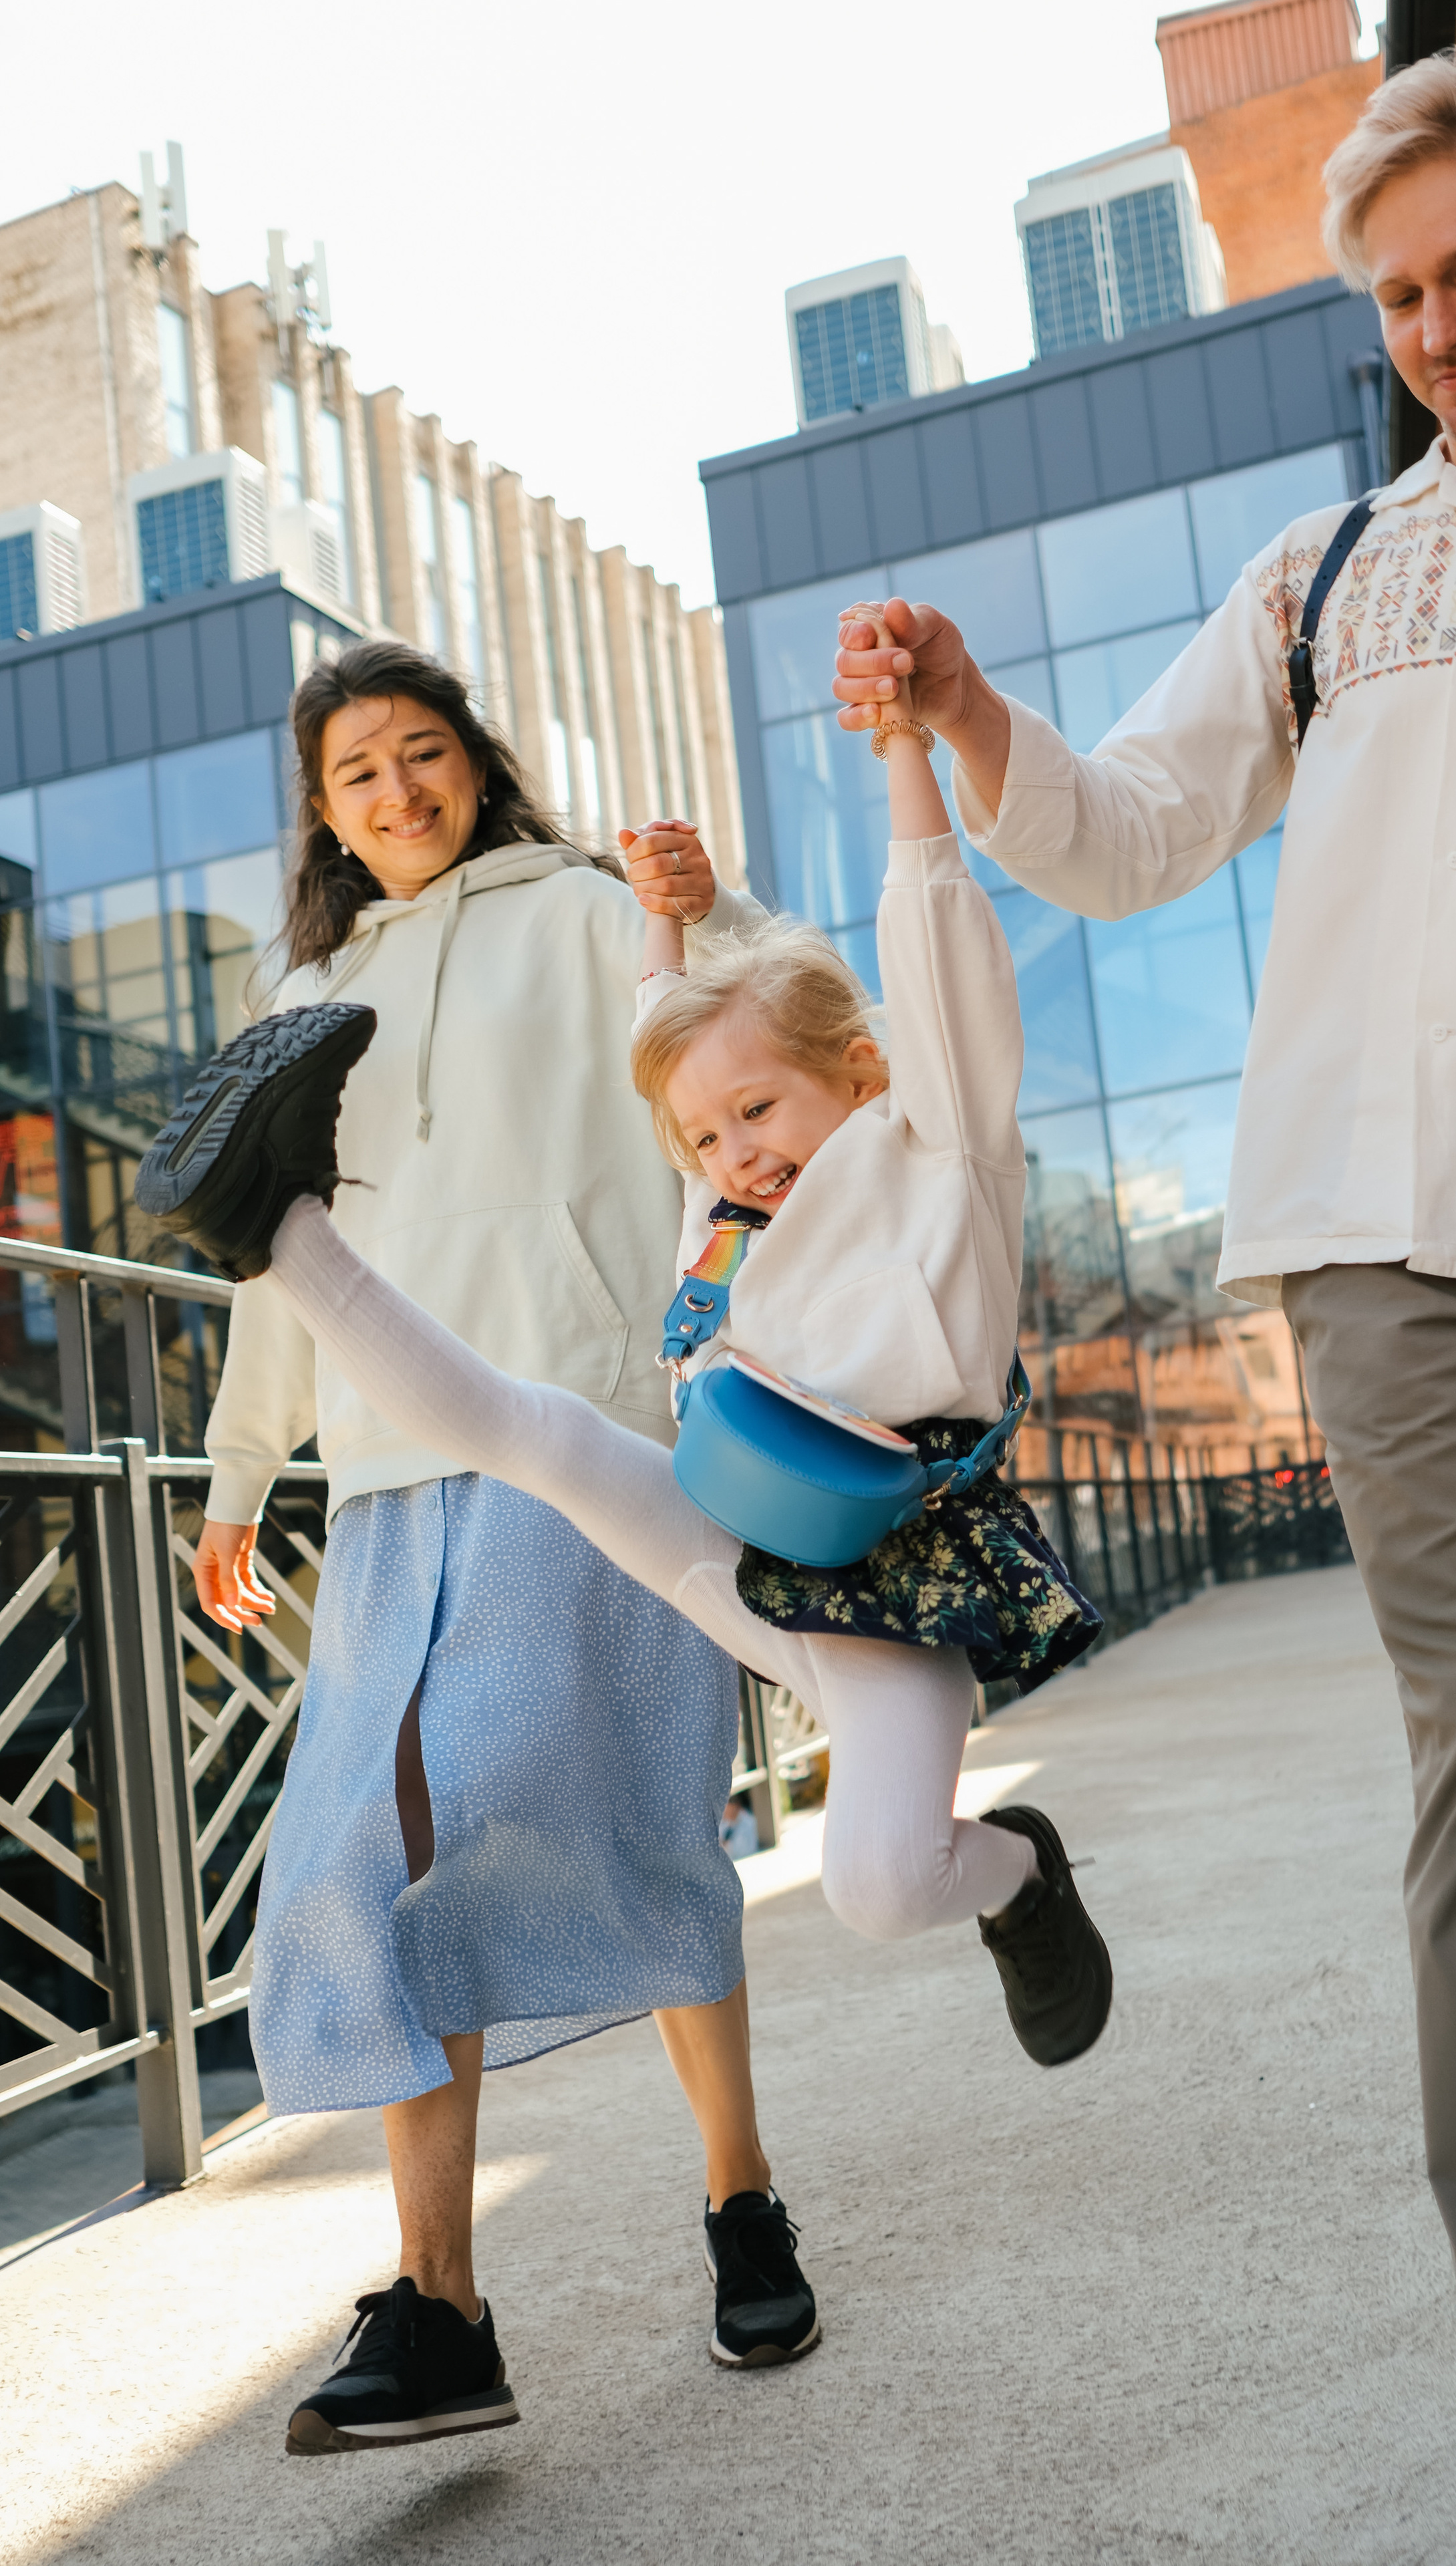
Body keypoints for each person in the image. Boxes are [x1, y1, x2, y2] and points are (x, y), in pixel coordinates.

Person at [832, 46, 1456, 2566]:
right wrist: (980, 715)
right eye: (1398, 292)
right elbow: (1121, 835)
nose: (1440, 324)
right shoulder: (1321, 582)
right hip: (1387, 1239)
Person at [136, 628, 1113, 2116]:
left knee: (880, 1885)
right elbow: (678, 1061)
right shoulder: (716, 1211)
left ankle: (1010, 1872)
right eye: (708, 1138)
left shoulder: (935, 1153)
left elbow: (907, 944)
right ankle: (270, 1221)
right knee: (529, 1431)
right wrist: (245, 1462)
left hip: (893, 1567)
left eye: (761, 1116)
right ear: (321, 811)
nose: (737, 1151)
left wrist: (903, 748)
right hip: (726, 1519)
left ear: (858, 1071)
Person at [180, 639, 819, 2456]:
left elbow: (751, 1050)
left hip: (586, 1439)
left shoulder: (594, 905)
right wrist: (241, 1475)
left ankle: (740, 2194)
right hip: (387, 1475)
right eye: (358, 772)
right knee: (373, 1849)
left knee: (621, 1814)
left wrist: (702, 903)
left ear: (478, 763)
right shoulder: (298, 983)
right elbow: (268, 1247)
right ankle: (442, 2301)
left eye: (424, 754)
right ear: (322, 810)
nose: (397, 792)